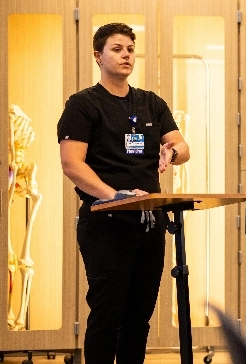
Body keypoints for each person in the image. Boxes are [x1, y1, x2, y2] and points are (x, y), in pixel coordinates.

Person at [57, 23, 190, 363]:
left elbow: (182, 146)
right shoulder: (83, 104)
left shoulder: (150, 103)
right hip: (105, 223)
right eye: (117, 49)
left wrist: (171, 152)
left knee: (139, 315)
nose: (126, 55)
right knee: (107, 313)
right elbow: (72, 164)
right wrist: (114, 195)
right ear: (98, 56)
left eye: (130, 49)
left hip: (149, 222)